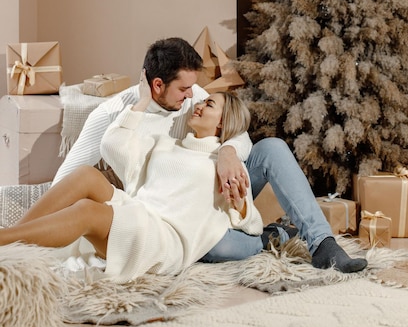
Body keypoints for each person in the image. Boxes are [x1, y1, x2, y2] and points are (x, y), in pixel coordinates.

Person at [52, 37, 367, 273]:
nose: (193, 98)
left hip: (219, 189)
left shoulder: (193, 96)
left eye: (195, 89)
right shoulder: (110, 115)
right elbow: (67, 180)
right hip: (173, 213)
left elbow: (234, 129)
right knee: (211, 248)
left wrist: (228, 152)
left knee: (271, 148)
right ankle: (274, 235)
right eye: (184, 90)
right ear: (157, 85)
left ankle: (323, 244)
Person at [0, 87, 264, 284]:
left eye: (209, 104)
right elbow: (112, 146)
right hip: (138, 211)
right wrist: (141, 103)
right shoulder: (166, 144)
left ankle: (4, 241)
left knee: (87, 210)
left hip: (163, 239)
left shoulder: (224, 165)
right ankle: (14, 238)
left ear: (222, 121)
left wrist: (240, 206)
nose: (199, 105)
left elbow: (252, 224)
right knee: (85, 175)